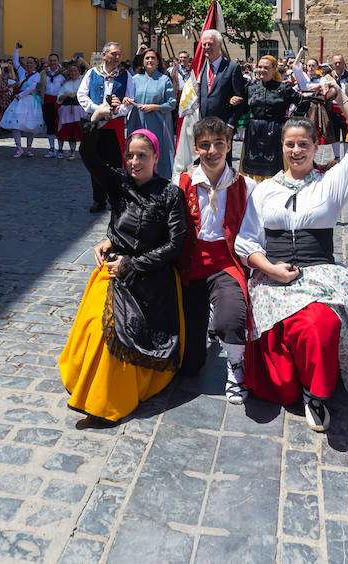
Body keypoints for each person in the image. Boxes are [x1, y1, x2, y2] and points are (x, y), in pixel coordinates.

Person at [235, 76, 348, 432]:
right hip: (273, 278)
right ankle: (297, 379)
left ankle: (317, 394)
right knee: (291, 341)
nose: (296, 150)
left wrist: (340, 96)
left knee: (320, 323)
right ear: (281, 147)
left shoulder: (331, 184)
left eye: (303, 144)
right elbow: (247, 242)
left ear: (315, 146)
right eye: (290, 144)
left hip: (320, 275)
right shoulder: (264, 192)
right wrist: (272, 271)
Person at [60, 120, 186, 424]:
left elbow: (174, 245)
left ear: (156, 158)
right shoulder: (119, 185)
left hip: (153, 276)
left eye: (142, 155)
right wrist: (96, 120)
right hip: (114, 270)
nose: (134, 162)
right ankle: (90, 389)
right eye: (130, 155)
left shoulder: (171, 194)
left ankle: (108, 402)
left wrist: (133, 264)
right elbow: (88, 156)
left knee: (121, 335)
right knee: (97, 327)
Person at [167, 116, 253, 402]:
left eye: (218, 144)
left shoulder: (245, 185)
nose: (212, 151)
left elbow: (258, 229)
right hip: (190, 264)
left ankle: (235, 365)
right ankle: (203, 330)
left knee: (231, 317)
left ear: (228, 145)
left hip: (226, 262)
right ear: (195, 148)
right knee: (190, 365)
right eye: (205, 145)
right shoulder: (181, 182)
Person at [77, 41, 133, 211]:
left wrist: (118, 111)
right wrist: (98, 109)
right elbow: (82, 95)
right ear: (104, 55)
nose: (117, 57)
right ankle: (98, 199)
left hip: (115, 125)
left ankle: (116, 199)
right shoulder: (92, 73)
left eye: (119, 54)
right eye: (114, 54)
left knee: (116, 164)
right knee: (95, 162)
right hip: (96, 125)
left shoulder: (125, 75)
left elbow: (130, 100)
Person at [235, 55, 302, 181]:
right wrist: (234, 102)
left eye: (266, 67)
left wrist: (291, 122)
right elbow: (242, 110)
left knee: (276, 168)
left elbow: (303, 102)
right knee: (252, 168)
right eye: (260, 67)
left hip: (276, 133)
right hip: (254, 133)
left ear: (274, 69)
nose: (262, 70)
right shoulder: (251, 89)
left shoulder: (284, 89)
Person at [196, 30, 249, 155]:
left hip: (222, 128)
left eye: (210, 44)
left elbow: (240, 99)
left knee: (222, 165)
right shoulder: (200, 69)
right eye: (204, 44)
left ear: (219, 45)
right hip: (202, 127)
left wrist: (230, 125)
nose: (207, 47)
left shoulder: (231, 68)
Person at [126, 47, 176, 179]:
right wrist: (127, 99)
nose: (149, 60)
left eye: (153, 58)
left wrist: (155, 107)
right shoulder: (135, 79)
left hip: (158, 124)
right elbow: (128, 96)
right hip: (138, 121)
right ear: (142, 62)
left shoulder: (164, 80)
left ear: (158, 61)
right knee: (137, 150)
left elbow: (172, 103)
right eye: (147, 58)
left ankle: (160, 179)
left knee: (156, 151)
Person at [0, 45, 46, 156]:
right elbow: (15, 62)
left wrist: (20, 95)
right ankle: (19, 148)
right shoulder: (22, 72)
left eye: (31, 63)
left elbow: (32, 87)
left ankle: (29, 148)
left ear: (35, 64)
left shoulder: (37, 75)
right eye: (28, 62)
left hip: (30, 101)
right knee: (16, 125)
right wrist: (16, 49)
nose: (29, 64)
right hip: (20, 102)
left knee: (30, 126)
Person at [55, 63, 85, 157]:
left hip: (78, 110)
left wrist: (76, 94)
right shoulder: (65, 84)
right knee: (63, 130)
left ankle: (72, 151)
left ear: (79, 72)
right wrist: (67, 95)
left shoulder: (83, 83)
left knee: (74, 132)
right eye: (71, 71)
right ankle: (60, 150)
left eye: (75, 71)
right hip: (66, 109)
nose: (73, 73)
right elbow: (59, 98)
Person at [40, 53, 64, 157]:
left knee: (59, 126)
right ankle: (51, 149)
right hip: (47, 101)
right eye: (51, 61)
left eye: (54, 60)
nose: (52, 63)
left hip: (60, 102)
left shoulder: (64, 73)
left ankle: (60, 150)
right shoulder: (43, 73)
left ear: (58, 61)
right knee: (49, 125)